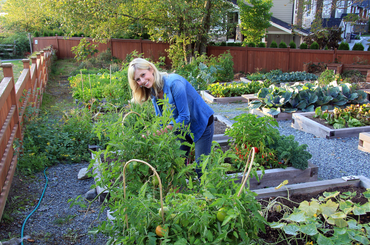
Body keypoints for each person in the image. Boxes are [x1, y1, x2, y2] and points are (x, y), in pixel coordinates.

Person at [127, 58, 214, 178]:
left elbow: (184, 117)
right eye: (138, 79)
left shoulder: (174, 83)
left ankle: (208, 194)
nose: (142, 81)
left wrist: (160, 132)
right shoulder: (153, 91)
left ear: (151, 69)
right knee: (177, 164)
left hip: (200, 122)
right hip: (182, 128)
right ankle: (184, 194)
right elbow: (161, 119)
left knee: (201, 168)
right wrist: (151, 134)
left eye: (143, 75)